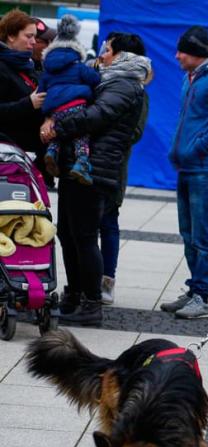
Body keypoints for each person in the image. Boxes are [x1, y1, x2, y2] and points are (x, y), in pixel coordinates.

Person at [41, 34, 149, 326]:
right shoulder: (108, 79)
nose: (102, 54)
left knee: (86, 237)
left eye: (108, 50)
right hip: (76, 167)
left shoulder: (125, 83)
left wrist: (58, 124)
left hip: (95, 169)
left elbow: (97, 115)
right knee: (68, 233)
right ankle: (75, 294)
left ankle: (91, 303)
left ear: (122, 55)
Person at [160, 26, 208, 319]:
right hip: (190, 167)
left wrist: (198, 147)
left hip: (207, 169)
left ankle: (202, 297)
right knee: (189, 234)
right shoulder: (191, 77)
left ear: (197, 53)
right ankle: (195, 289)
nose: (177, 55)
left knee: (204, 236)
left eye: (182, 50)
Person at [97, 32, 152, 306]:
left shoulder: (137, 92)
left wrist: (101, 129)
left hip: (113, 167)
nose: (102, 54)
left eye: (107, 49)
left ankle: (107, 279)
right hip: (92, 165)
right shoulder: (99, 81)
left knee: (108, 223)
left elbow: (135, 132)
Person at [40, 15, 100, 186]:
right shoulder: (78, 66)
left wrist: (47, 113)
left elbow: (42, 91)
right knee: (81, 135)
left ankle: (52, 151)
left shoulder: (47, 70)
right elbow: (94, 80)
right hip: (76, 107)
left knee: (57, 132)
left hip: (55, 111)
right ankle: (81, 162)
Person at [0, 9, 45, 157]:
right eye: (29, 36)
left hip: (34, 154)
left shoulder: (28, 64)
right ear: (11, 36)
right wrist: (29, 103)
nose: (34, 42)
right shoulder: (2, 67)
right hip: (10, 159)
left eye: (35, 37)